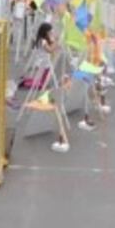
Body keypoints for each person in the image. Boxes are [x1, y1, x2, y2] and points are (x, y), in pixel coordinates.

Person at [34, 23, 71, 152]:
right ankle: (45, 99)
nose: (51, 33)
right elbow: (50, 50)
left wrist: (55, 42)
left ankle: (46, 97)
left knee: (48, 86)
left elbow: (53, 50)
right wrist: (57, 42)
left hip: (46, 66)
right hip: (43, 67)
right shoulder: (42, 41)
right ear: (45, 32)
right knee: (45, 87)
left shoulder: (45, 40)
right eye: (50, 32)